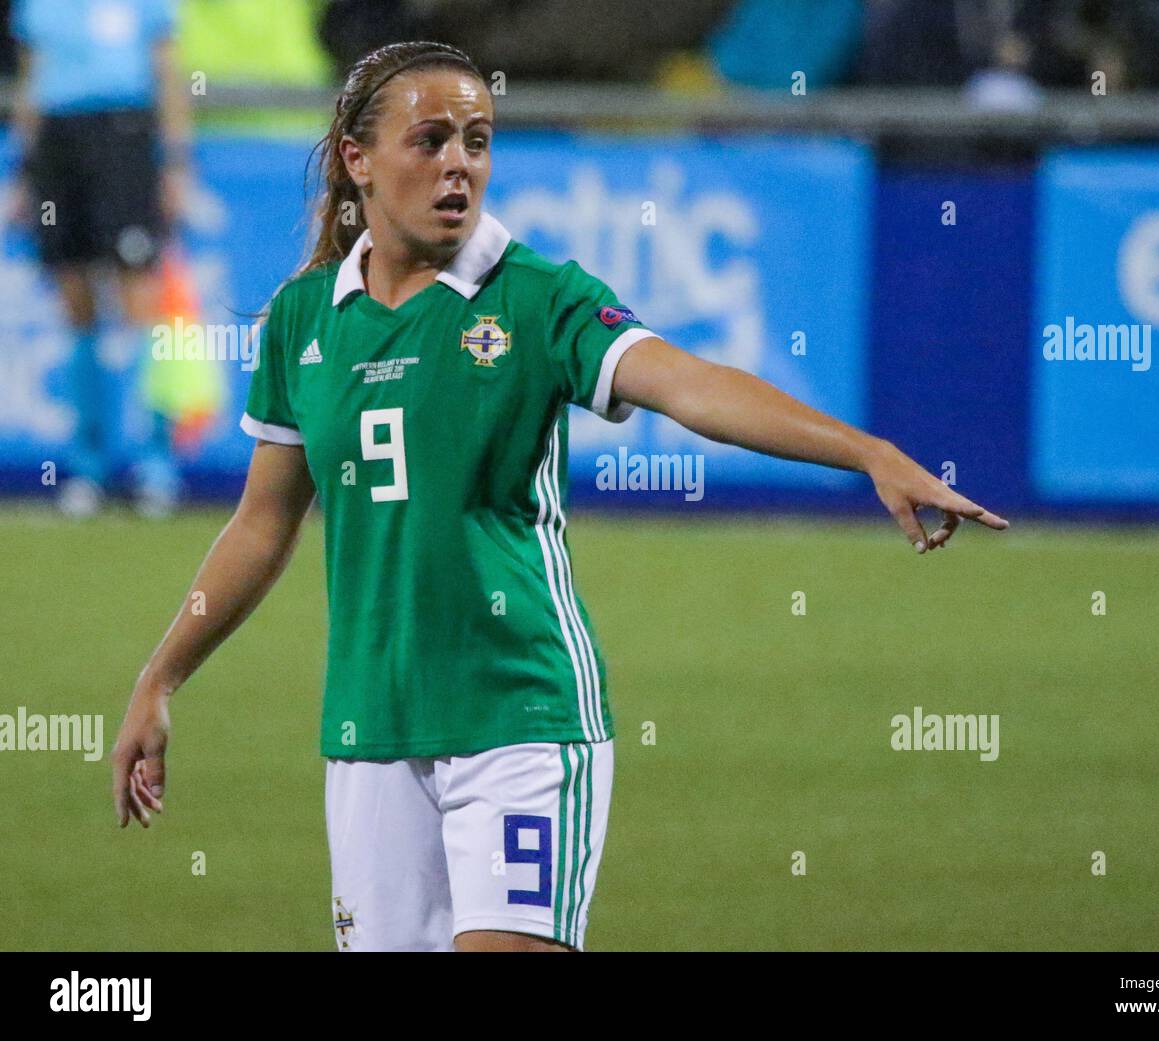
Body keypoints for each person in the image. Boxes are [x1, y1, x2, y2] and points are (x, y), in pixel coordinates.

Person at [110, 41, 1009, 952]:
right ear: (358, 160)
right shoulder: (306, 317)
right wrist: (160, 678)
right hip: (370, 728)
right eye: (428, 140)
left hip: (522, 719)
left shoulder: (534, 298)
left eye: (477, 139)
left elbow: (689, 384)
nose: (459, 162)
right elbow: (263, 523)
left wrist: (866, 451)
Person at [10, 0, 190, 516]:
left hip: (125, 135)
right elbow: (32, 78)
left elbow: (168, 72)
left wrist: (175, 162)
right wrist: (26, 169)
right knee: (76, 306)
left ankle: (155, 465)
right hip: (58, 143)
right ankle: (87, 467)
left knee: (141, 301)